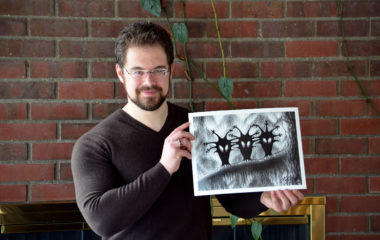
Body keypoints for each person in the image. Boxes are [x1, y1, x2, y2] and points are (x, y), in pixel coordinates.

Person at [71, 21, 303, 240]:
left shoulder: (198, 127)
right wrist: (164, 168)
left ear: (171, 70)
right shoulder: (95, 144)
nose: (149, 81)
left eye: (158, 70)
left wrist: (264, 198)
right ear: (121, 73)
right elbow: (101, 220)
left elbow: (232, 200)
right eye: (138, 71)